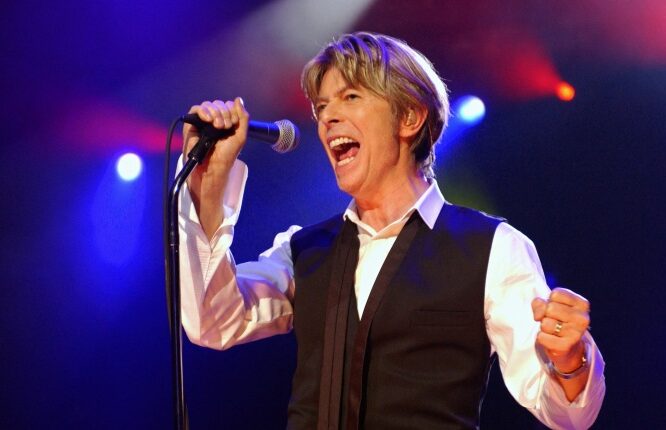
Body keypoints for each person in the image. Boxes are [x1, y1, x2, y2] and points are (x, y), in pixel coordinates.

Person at [178, 32, 605, 429]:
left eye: (350, 97)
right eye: (321, 107)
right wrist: (209, 186)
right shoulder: (303, 249)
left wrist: (570, 361)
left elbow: (568, 415)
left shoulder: (492, 248)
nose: (328, 118)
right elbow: (213, 321)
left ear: (410, 117)